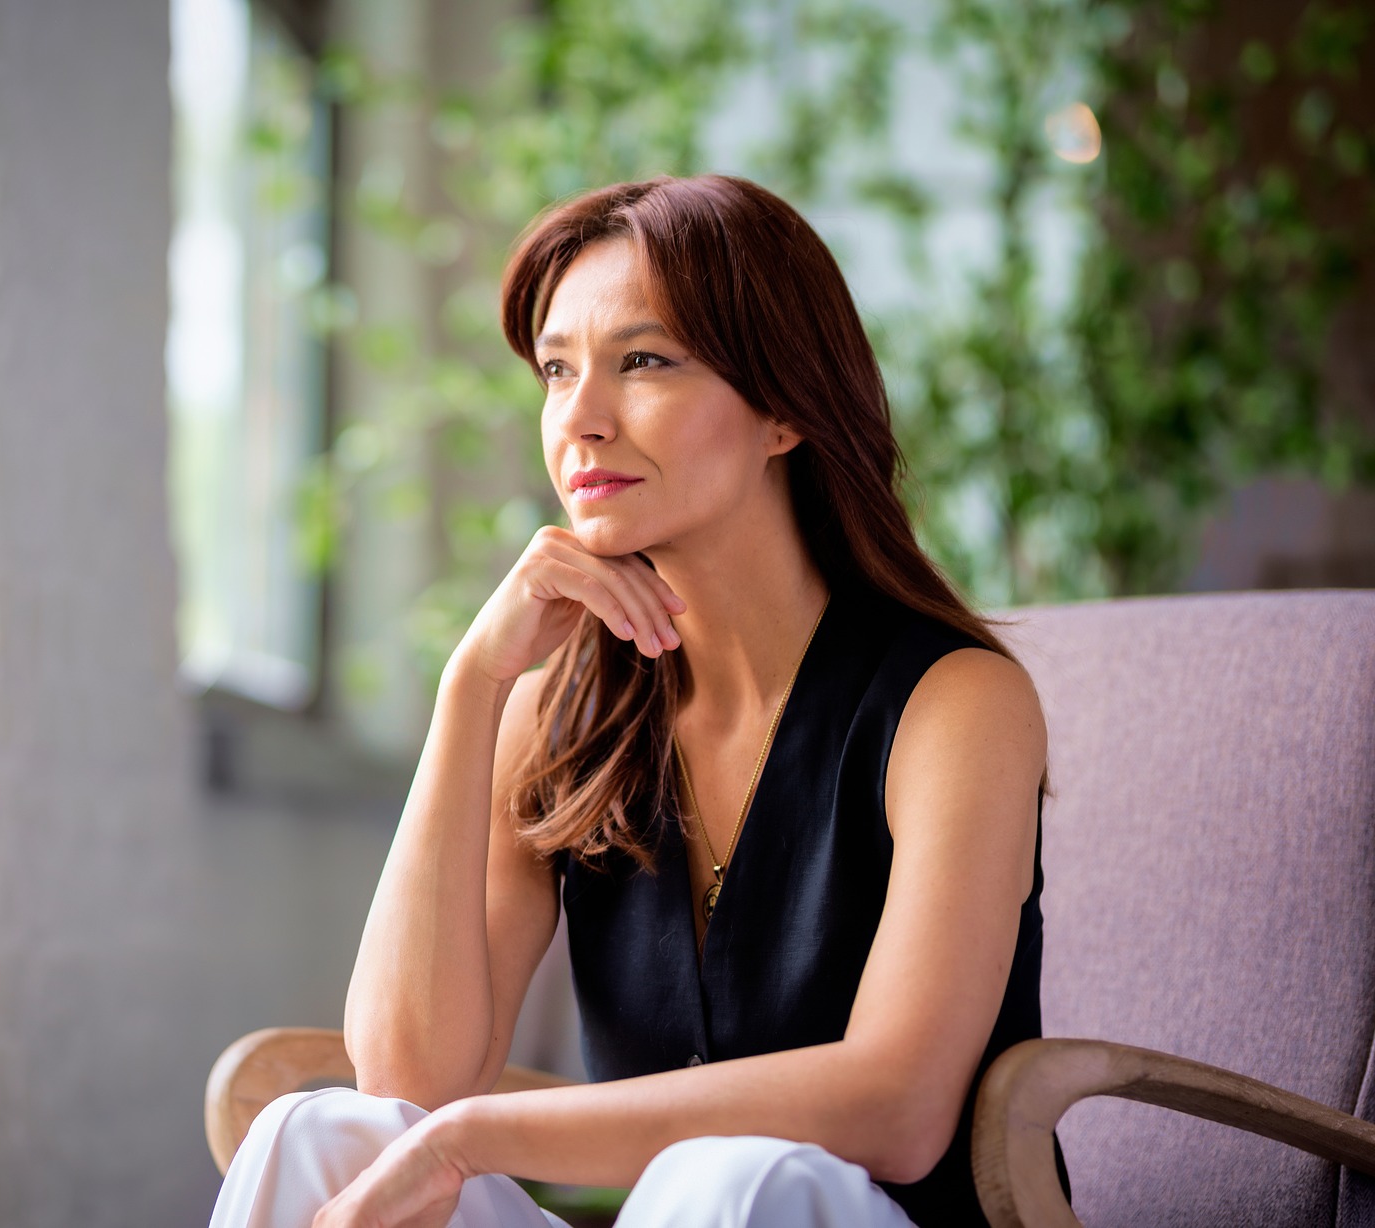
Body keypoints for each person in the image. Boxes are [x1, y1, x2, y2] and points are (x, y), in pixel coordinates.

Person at [210, 174, 1062, 1228]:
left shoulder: (953, 703)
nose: (579, 418)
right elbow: (410, 1080)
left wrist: (477, 1137)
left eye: (643, 361)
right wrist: (471, 688)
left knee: (735, 1176)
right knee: (318, 1134)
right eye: (557, 369)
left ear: (785, 408)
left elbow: (898, 1106)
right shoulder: (561, 717)